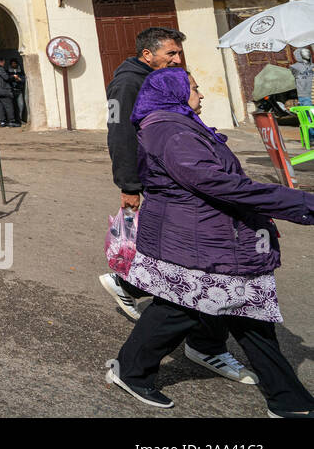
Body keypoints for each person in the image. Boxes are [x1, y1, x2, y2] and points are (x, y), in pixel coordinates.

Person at [107, 68, 314, 415]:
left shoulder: (179, 124)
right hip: (201, 240)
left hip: (211, 236)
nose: (201, 94)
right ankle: (130, 371)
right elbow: (222, 185)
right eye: (194, 88)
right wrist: (301, 203)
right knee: (180, 310)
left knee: (245, 315)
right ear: (173, 93)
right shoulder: (172, 132)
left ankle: (287, 400)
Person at [98, 26, 246, 382]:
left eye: (179, 53)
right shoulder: (128, 84)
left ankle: (131, 286)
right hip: (158, 178)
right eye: (171, 54)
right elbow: (119, 134)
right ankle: (198, 341)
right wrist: (128, 185)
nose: (178, 60)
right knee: (193, 258)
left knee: (189, 255)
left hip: (180, 173)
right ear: (147, 55)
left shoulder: (164, 79)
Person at [0, 57, 18, 127]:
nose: (4, 63)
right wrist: (14, 77)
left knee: (0, 107)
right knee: (9, 106)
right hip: (3, 91)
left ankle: (2, 122)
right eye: (4, 62)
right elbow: (6, 78)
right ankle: (11, 121)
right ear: (0, 62)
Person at [8, 58, 26, 124]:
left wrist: (19, 79)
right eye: (12, 63)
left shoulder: (20, 71)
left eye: (15, 63)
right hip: (11, 91)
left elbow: (24, 79)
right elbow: (7, 79)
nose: (14, 64)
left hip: (19, 90)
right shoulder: (8, 72)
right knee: (12, 106)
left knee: (21, 105)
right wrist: (13, 77)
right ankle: (13, 120)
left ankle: (20, 119)